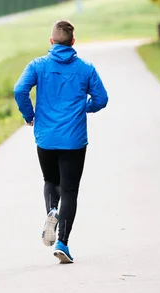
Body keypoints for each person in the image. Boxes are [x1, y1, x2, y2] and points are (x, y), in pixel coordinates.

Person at [13, 20, 108, 264]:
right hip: (74, 139)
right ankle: (62, 242)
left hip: (45, 137)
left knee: (50, 180)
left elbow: (19, 90)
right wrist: (85, 107)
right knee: (70, 190)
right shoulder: (86, 69)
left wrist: (29, 115)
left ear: (51, 41)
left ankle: (51, 212)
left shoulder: (38, 65)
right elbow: (102, 99)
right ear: (73, 42)